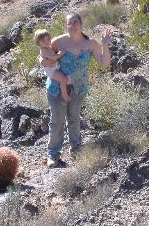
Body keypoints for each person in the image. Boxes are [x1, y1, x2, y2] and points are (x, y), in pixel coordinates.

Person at [42, 12, 112, 168]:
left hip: (79, 88)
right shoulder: (57, 42)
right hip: (56, 88)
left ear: (81, 24)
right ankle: (53, 155)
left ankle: (76, 150)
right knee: (57, 121)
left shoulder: (91, 43)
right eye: (69, 23)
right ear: (66, 26)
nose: (72, 26)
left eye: (75, 22)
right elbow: (43, 56)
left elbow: (105, 63)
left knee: (74, 119)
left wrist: (105, 45)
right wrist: (48, 66)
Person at [35, 29, 71, 102]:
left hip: (54, 67)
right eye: (43, 41)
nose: (46, 42)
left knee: (64, 78)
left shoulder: (48, 47)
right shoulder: (44, 50)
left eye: (48, 39)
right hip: (51, 70)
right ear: (38, 43)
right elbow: (53, 57)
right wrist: (60, 54)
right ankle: (65, 95)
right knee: (63, 79)